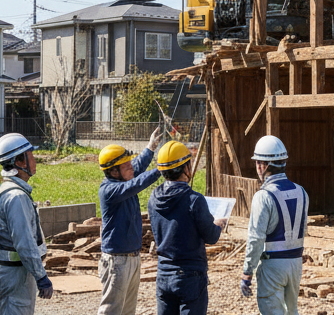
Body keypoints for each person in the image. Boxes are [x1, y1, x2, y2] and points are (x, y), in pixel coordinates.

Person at [148, 140, 226, 315]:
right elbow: (211, 237)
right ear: (185, 168)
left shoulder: (154, 198)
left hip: (163, 274)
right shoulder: (194, 200)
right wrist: (219, 225)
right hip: (190, 276)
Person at [96, 128, 163, 315]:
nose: (131, 166)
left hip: (132, 257)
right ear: (114, 171)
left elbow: (138, 166)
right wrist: (161, 168)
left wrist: (150, 148)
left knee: (127, 311)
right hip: (117, 261)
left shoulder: (125, 174)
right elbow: (136, 184)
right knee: (111, 310)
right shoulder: (109, 190)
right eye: (126, 165)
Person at [239, 135, 308, 315]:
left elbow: (256, 238)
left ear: (263, 165)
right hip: (296, 263)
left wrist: (247, 272)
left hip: (273, 265)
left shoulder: (263, 196)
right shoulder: (301, 192)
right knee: (292, 311)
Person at [0, 132, 53, 315]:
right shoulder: (16, 196)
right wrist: (41, 276)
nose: (35, 160)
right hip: (16, 275)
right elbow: (24, 243)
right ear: (19, 161)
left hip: (13, 273)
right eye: (31, 156)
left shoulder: (7, 189)